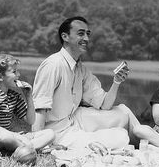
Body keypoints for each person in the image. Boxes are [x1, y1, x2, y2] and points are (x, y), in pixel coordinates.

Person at [32, 16, 142, 151]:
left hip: (75, 119)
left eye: (87, 34)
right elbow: (39, 107)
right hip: (57, 130)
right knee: (121, 137)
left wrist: (116, 82)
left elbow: (104, 104)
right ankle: (147, 141)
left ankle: (148, 138)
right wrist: (39, 142)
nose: (86, 39)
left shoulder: (80, 69)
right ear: (65, 37)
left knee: (122, 112)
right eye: (80, 33)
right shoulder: (53, 65)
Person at [0, 54, 55, 163]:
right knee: (5, 137)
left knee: (50, 133)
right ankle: (28, 150)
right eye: (14, 72)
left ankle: (24, 150)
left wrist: (29, 96)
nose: (18, 75)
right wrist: (17, 136)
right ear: (0, 77)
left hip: (11, 137)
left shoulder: (14, 96)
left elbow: (30, 120)